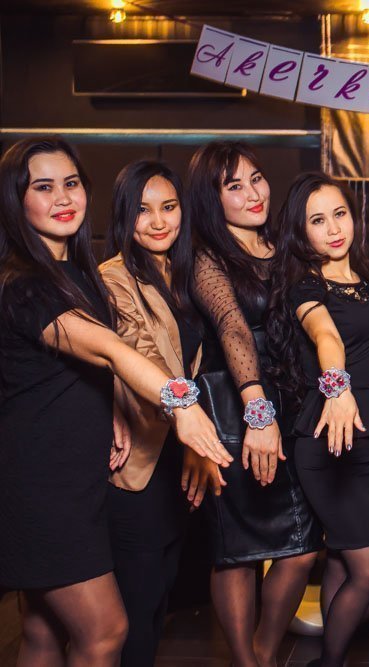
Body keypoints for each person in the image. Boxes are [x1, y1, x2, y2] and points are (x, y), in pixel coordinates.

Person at [0, 136, 229, 666]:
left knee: (42, 631)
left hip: (76, 476)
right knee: (106, 631)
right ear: (15, 199)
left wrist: (112, 411)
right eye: (43, 187)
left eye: (71, 183)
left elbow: (73, 374)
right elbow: (107, 348)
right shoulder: (24, 284)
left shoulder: (73, 274)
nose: (63, 197)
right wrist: (182, 406)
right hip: (42, 484)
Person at [187, 141, 322, 667]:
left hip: (291, 400)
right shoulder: (207, 256)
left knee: (302, 549)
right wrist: (256, 413)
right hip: (234, 406)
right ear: (211, 198)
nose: (252, 193)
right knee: (237, 551)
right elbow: (233, 327)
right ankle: (246, 660)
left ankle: (264, 653)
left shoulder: (283, 245)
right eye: (234, 186)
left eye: (256, 178)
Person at [100, 159, 223, 666]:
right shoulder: (114, 277)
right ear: (123, 215)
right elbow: (141, 355)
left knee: (161, 595)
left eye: (168, 207)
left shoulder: (179, 272)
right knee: (137, 604)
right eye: (143, 210)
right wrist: (191, 424)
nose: (158, 221)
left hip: (175, 459)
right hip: (137, 462)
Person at [267, 172, 369, 666]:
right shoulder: (305, 286)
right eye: (317, 220)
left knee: (343, 558)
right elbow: (326, 336)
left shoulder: (368, 282)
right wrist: (337, 388)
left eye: (339, 214)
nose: (334, 229)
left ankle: (330, 660)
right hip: (328, 439)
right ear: (300, 231)